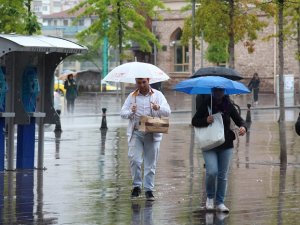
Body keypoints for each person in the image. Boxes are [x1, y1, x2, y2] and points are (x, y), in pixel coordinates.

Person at [192, 88, 247, 212]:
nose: (219, 94)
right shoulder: (206, 103)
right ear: (212, 91)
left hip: (226, 143)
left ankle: (220, 202)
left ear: (224, 92)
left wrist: (243, 127)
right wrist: (206, 120)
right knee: (212, 171)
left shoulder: (228, 105)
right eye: (216, 91)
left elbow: (239, 120)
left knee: (222, 175)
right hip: (209, 144)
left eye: (221, 91)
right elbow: (194, 121)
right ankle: (210, 198)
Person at [120, 78, 171, 201]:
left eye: (144, 82)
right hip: (136, 132)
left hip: (152, 132)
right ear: (136, 83)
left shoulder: (158, 95)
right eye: (139, 82)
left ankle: (149, 189)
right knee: (135, 160)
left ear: (148, 81)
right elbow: (122, 113)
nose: (142, 85)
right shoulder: (132, 96)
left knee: (150, 162)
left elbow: (168, 112)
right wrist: (130, 112)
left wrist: (158, 107)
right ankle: (136, 186)